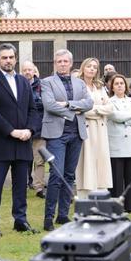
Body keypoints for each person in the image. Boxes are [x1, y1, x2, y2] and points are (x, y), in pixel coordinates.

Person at [0, 43, 38, 236]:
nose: (8, 61)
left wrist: (30, 129)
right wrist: (11, 131)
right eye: (4, 58)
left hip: (23, 142)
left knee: (20, 185)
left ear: (15, 58)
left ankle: (20, 220)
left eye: (11, 57)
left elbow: (32, 109)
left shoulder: (23, 82)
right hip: (1, 141)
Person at [40, 49, 93, 231]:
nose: (62, 64)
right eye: (59, 61)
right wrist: (73, 112)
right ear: (55, 63)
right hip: (57, 134)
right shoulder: (46, 82)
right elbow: (49, 105)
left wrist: (69, 104)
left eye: (65, 61)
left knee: (69, 176)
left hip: (76, 134)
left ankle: (62, 215)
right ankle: (48, 217)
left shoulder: (79, 83)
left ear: (71, 63)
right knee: (56, 175)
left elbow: (89, 103)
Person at [106, 74, 131, 213]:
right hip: (116, 144)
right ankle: (116, 207)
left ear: (126, 85)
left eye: (122, 83)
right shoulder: (109, 102)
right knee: (116, 179)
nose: (120, 85)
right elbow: (115, 116)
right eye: (116, 83)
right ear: (112, 87)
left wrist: (125, 119)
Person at [76, 57, 113, 194]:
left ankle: (100, 198)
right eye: (89, 66)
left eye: (95, 67)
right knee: (86, 163)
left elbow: (110, 107)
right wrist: (99, 110)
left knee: (101, 163)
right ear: (83, 68)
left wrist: (95, 109)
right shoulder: (78, 85)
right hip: (85, 130)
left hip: (101, 130)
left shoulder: (100, 86)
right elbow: (79, 109)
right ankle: (85, 198)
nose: (92, 69)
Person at [22, 61, 47, 198]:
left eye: (29, 70)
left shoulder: (42, 86)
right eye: (25, 70)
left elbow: (44, 103)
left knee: (39, 160)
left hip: (39, 128)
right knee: (23, 160)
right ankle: (23, 184)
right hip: (22, 128)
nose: (27, 72)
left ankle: (38, 187)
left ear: (34, 71)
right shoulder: (18, 84)